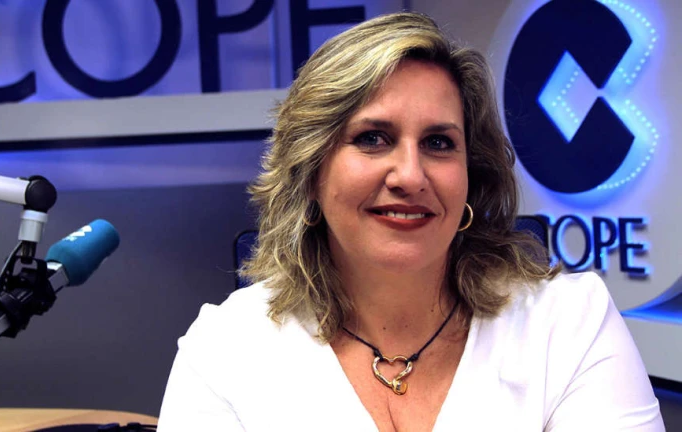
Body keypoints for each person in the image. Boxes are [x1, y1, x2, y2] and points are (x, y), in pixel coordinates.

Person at [158, 12, 663, 431]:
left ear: (471, 176)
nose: (411, 175)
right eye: (372, 138)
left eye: (439, 143)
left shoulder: (569, 323)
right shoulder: (225, 348)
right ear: (310, 170)